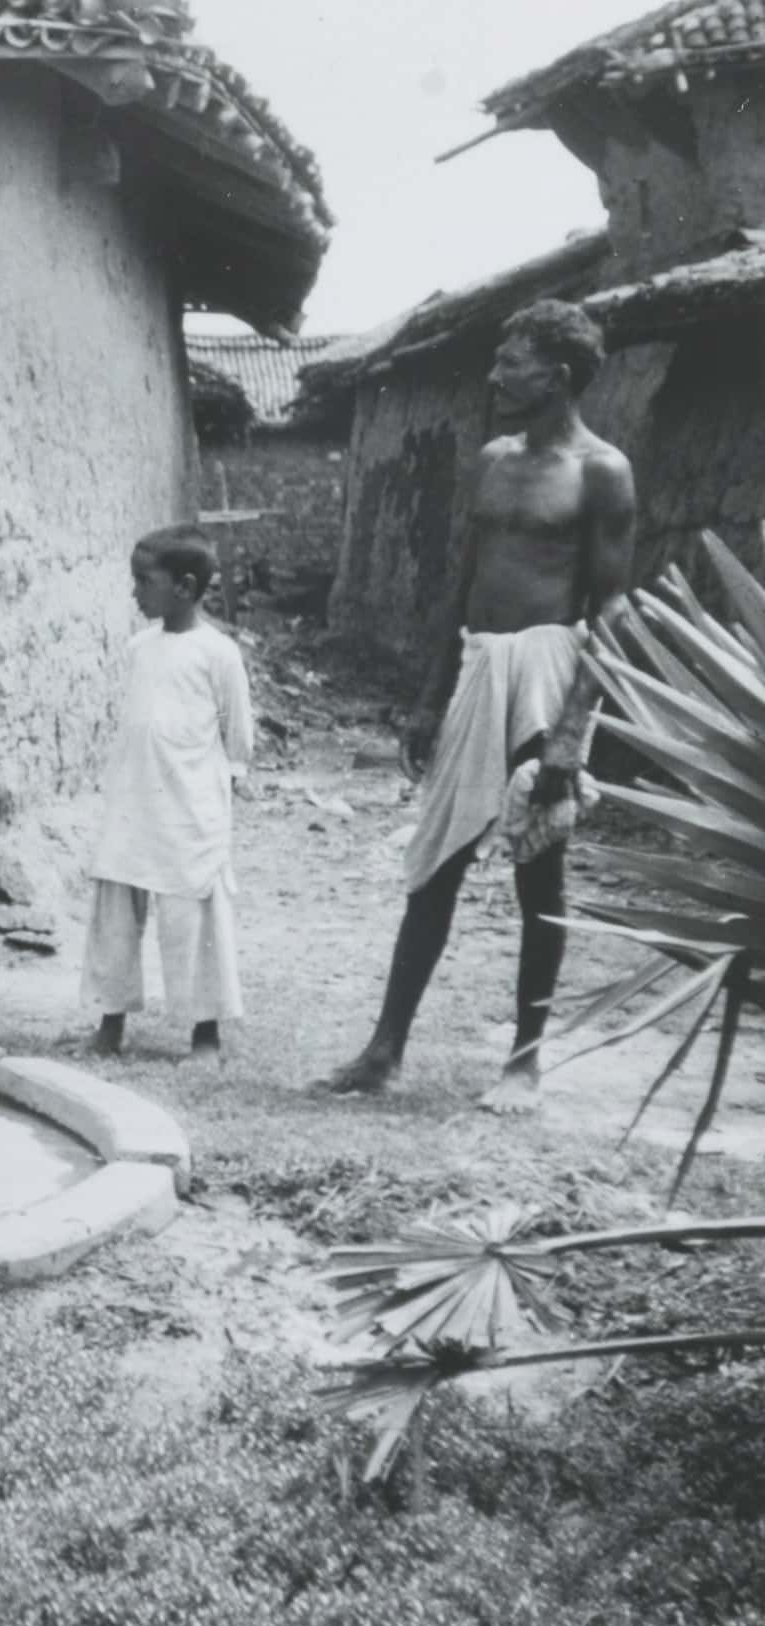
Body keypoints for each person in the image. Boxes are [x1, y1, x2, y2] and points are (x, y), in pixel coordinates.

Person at [320, 301, 636, 1113]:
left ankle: (524, 1064)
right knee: (435, 865)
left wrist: (570, 734)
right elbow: (461, 581)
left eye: (512, 362)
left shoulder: (601, 470)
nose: (495, 376)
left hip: (549, 669)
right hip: (480, 663)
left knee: (540, 869)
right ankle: (384, 1049)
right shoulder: (494, 458)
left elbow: (610, 608)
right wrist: (431, 696)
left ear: (557, 376)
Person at [81, 528, 253, 1061]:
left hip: (188, 806)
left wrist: (215, 798)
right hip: (134, 802)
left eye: (143, 581)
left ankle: (204, 1032)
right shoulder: (140, 648)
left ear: (183, 587)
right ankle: (110, 1023)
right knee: (116, 910)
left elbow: (237, 738)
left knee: (191, 914)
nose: (135, 592)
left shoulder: (219, 654)